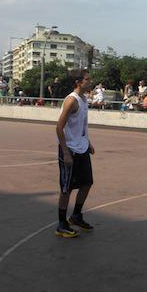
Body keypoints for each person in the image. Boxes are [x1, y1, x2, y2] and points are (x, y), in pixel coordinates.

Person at [54, 69, 96, 238]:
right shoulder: (71, 101)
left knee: (87, 183)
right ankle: (61, 224)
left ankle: (76, 216)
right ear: (78, 82)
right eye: (87, 79)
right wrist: (66, 152)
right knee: (67, 188)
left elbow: (81, 125)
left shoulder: (84, 99)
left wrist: (88, 142)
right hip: (70, 149)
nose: (90, 82)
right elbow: (59, 127)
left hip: (82, 147)